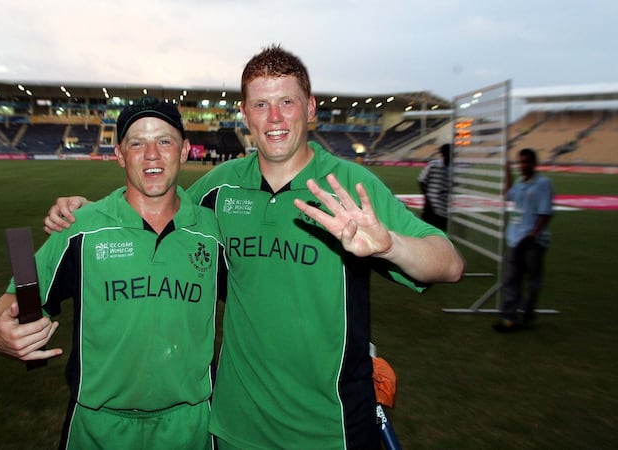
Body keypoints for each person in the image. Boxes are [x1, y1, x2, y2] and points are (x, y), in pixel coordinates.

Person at [43, 45, 464, 450]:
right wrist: (86, 211)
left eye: (287, 102)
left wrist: (389, 246)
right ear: (244, 113)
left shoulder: (349, 185)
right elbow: (156, 205)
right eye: (260, 105)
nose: (275, 117)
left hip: (330, 428)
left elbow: (448, 264)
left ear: (311, 108)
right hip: (233, 426)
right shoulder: (220, 188)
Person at [0, 96, 226, 450]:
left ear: (185, 149)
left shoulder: (213, 230)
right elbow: (18, 295)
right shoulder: (78, 227)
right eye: (136, 143)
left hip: (190, 425)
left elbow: (253, 302)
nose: (151, 154)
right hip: (98, 428)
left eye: (164, 141)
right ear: (119, 154)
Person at [493, 148, 554, 332]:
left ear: (534, 163)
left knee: (532, 280)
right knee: (511, 278)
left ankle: (527, 315)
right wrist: (507, 173)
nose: (523, 166)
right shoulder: (520, 182)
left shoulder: (543, 184)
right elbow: (509, 195)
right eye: (521, 162)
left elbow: (545, 212)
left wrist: (534, 233)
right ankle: (509, 316)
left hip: (532, 241)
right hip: (515, 238)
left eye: (527, 162)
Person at [417, 143, 452, 231]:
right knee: (427, 229)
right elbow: (421, 181)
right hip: (431, 205)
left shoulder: (453, 169)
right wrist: (427, 198)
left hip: (444, 205)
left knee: (442, 231)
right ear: (442, 154)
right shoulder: (433, 165)